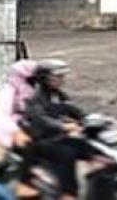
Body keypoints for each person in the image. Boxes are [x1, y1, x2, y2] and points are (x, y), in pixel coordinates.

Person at [21, 59, 96, 200]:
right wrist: (62, 126)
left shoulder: (57, 94)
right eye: (57, 76)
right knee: (67, 153)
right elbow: (40, 119)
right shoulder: (35, 96)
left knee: (91, 147)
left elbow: (71, 108)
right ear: (44, 78)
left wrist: (90, 118)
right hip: (41, 140)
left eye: (62, 76)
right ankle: (68, 194)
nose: (61, 80)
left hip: (58, 137)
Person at [0, 59, 37, 149]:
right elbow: (1, 115)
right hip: (16, 129)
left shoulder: (39, 89)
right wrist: (16, 132)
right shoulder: (8, 90)